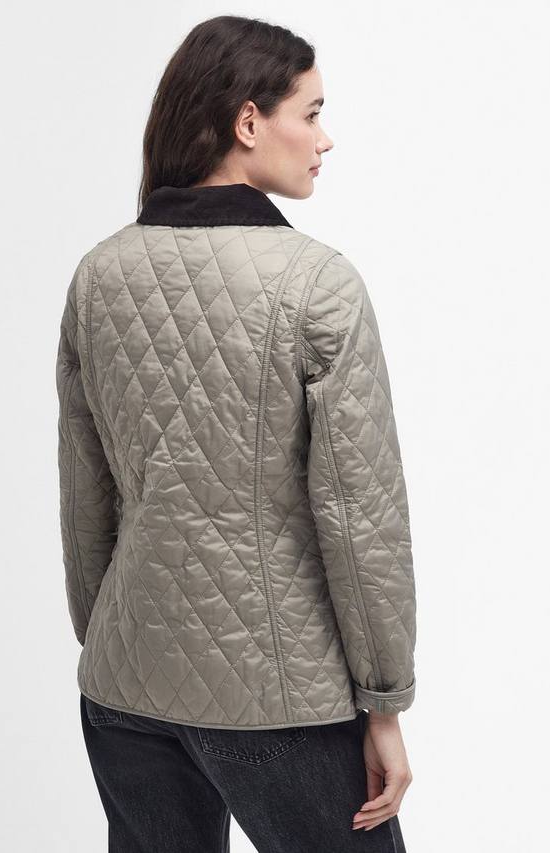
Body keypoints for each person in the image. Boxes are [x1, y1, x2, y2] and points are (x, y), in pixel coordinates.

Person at [55, 14, 417, 853]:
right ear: (248, 121)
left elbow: (85, 496)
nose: (325, 138)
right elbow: (362, 520)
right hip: (278, 695)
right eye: (312, 113)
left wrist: (113, 637)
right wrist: (384, 702)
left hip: (124, 684)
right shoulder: (317, 284)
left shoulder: (98, 276)